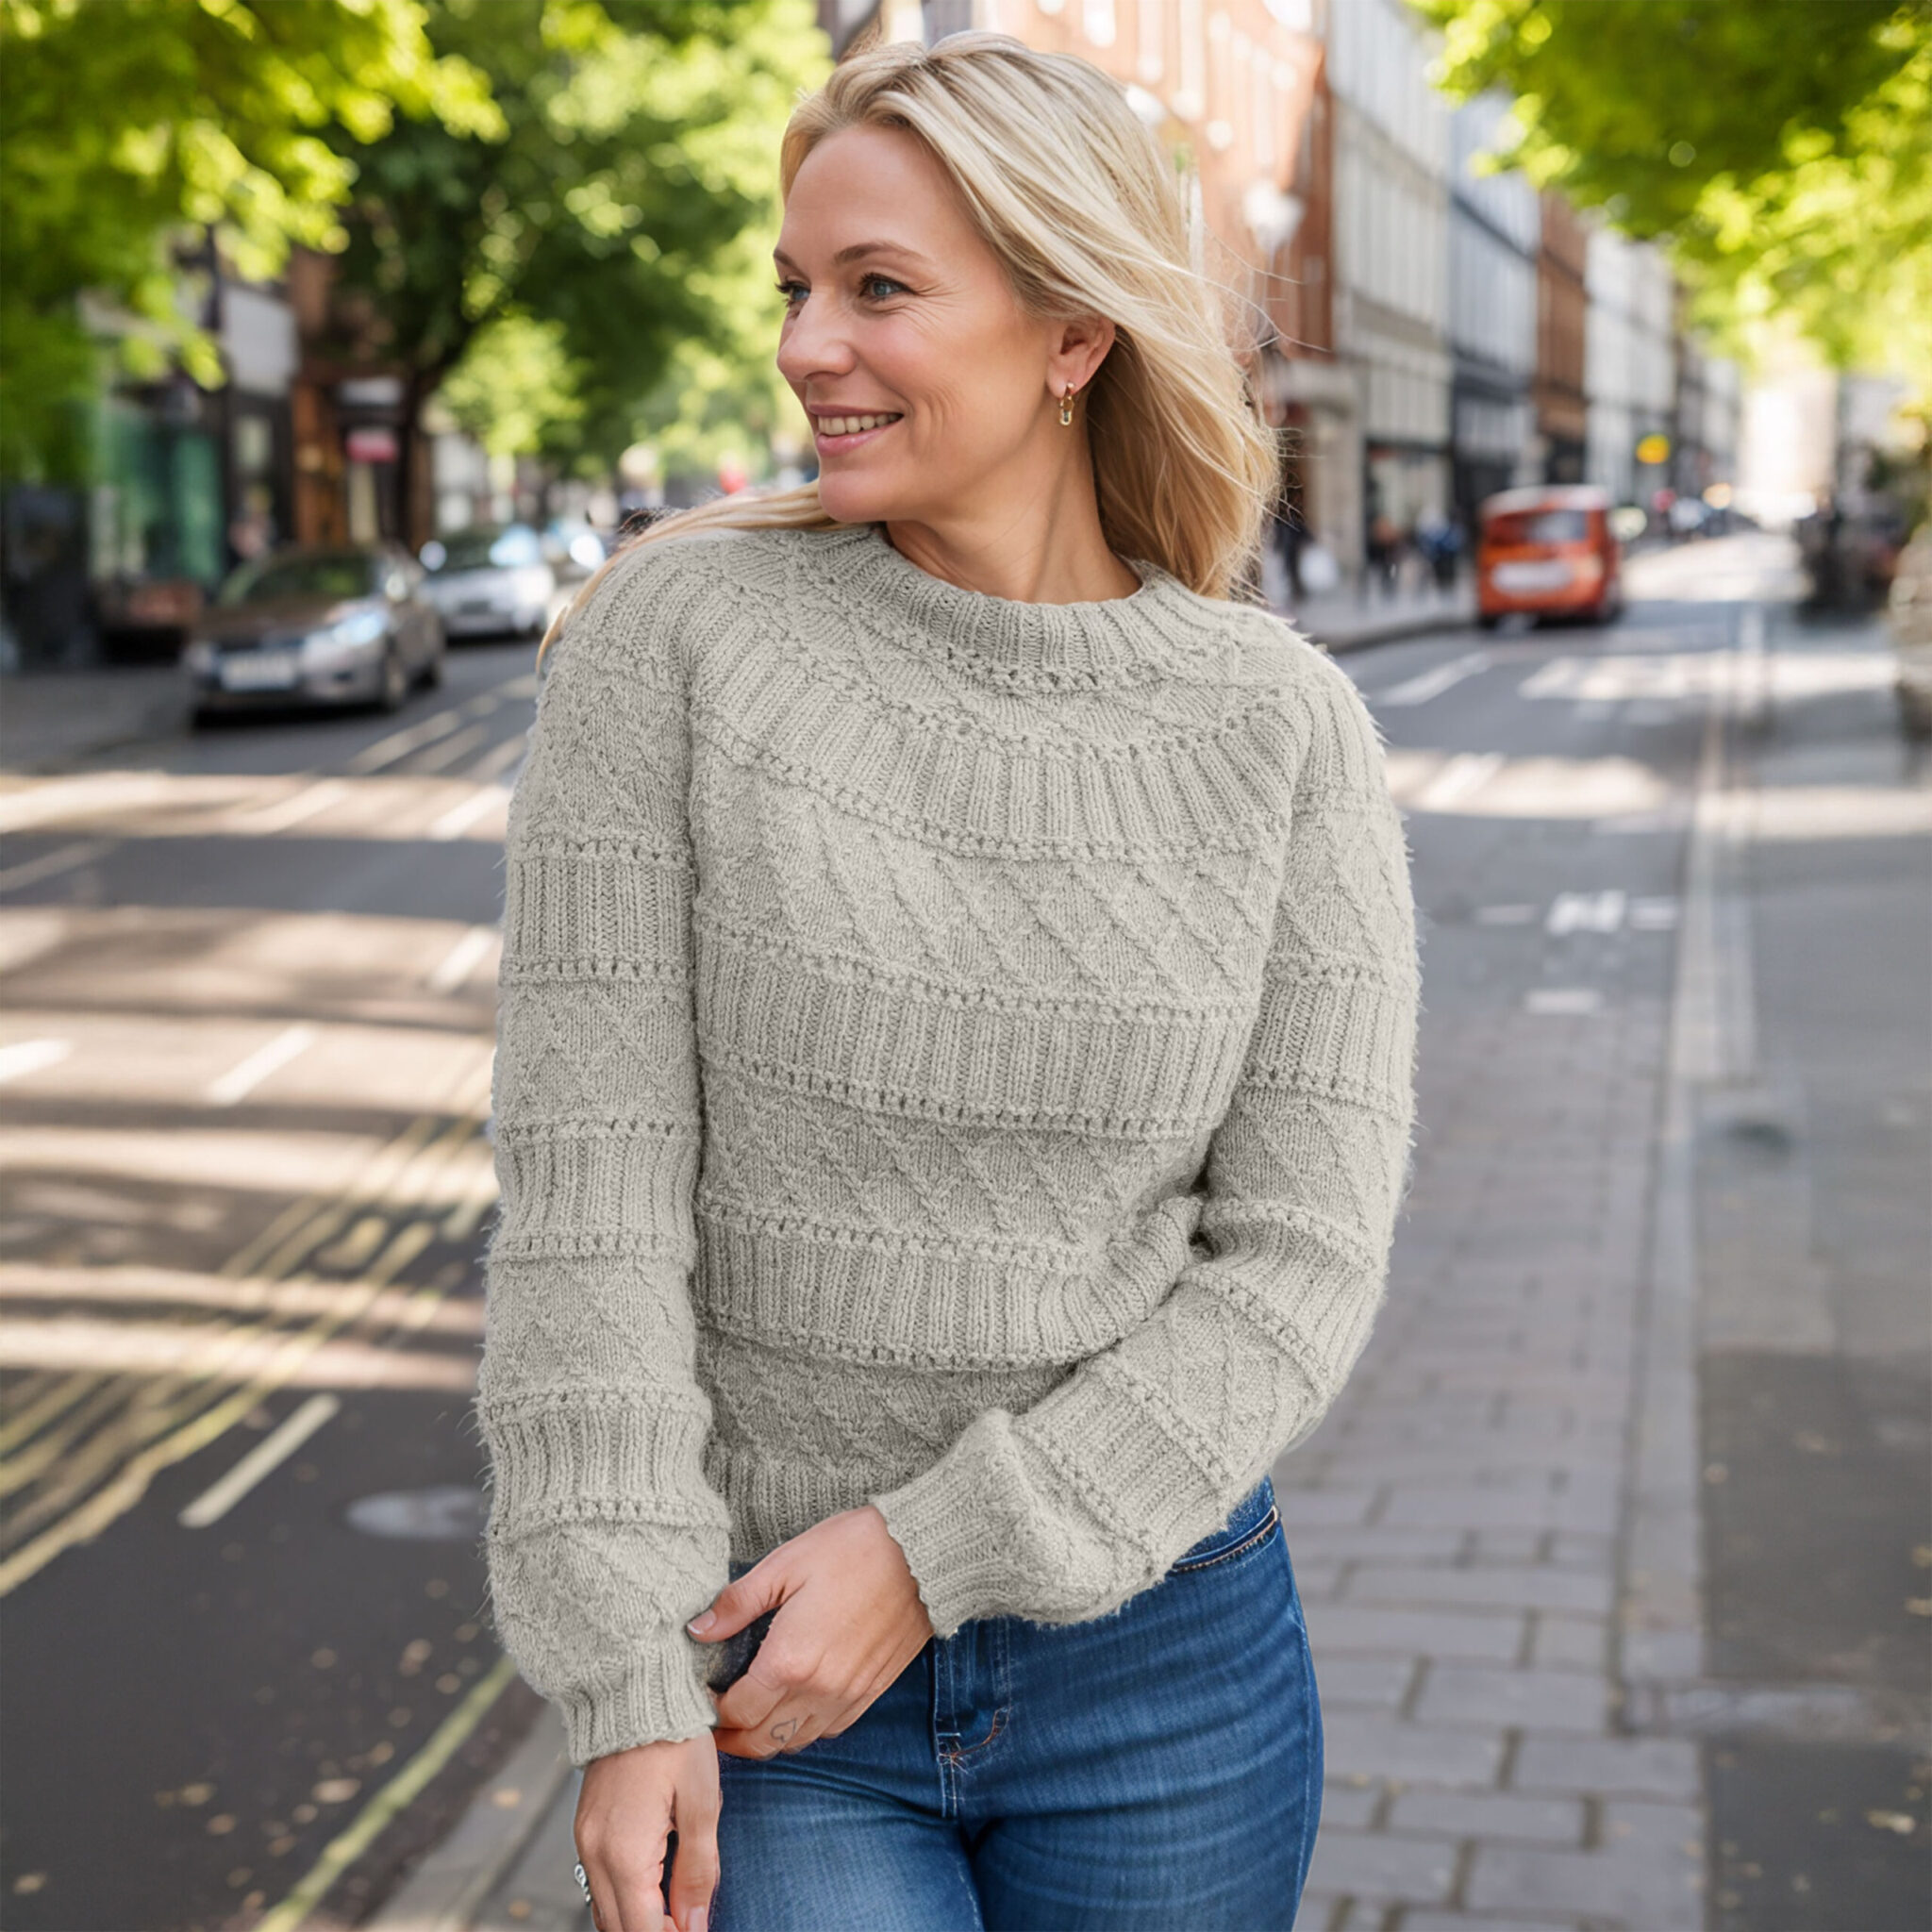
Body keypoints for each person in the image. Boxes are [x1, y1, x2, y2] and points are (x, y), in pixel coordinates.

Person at [475, 33, 1419, 1932]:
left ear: (1072, 334)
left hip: (1164, 1669)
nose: (807, 346)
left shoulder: (1281, 729)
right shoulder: (679, 638)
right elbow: (589, 1207)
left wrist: (936, 1549)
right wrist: (619, 1672)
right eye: (796, 292)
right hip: (764, 1687)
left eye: (879, 290)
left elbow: (1299, 1260)